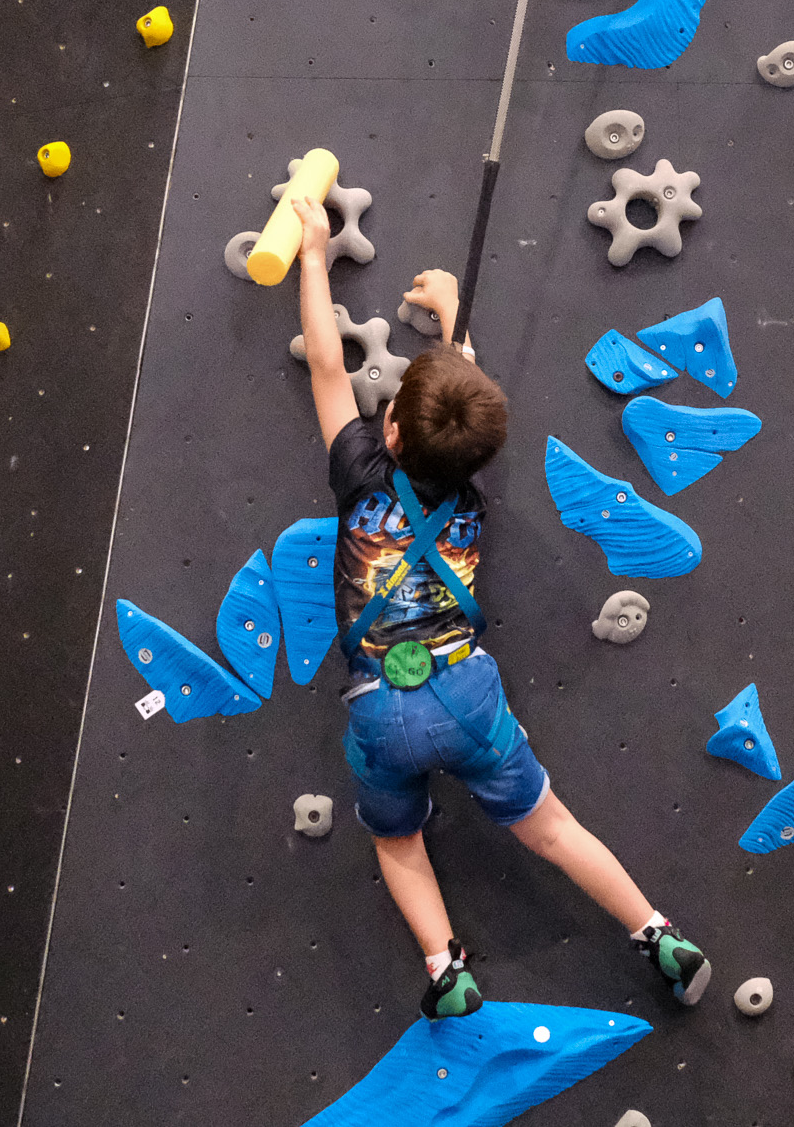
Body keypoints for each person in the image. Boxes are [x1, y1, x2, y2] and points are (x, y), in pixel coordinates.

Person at [289, 194, 710, 1018]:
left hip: (382, 706)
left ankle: (447, 970)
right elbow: (460, 395)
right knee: (552, 827)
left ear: (393, 436)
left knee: (398, 836)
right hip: (468, 690)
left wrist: (311, 255)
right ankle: (657, 932)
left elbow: (328, 369)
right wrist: (451, 319)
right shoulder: (473, 497)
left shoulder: (359, 474)